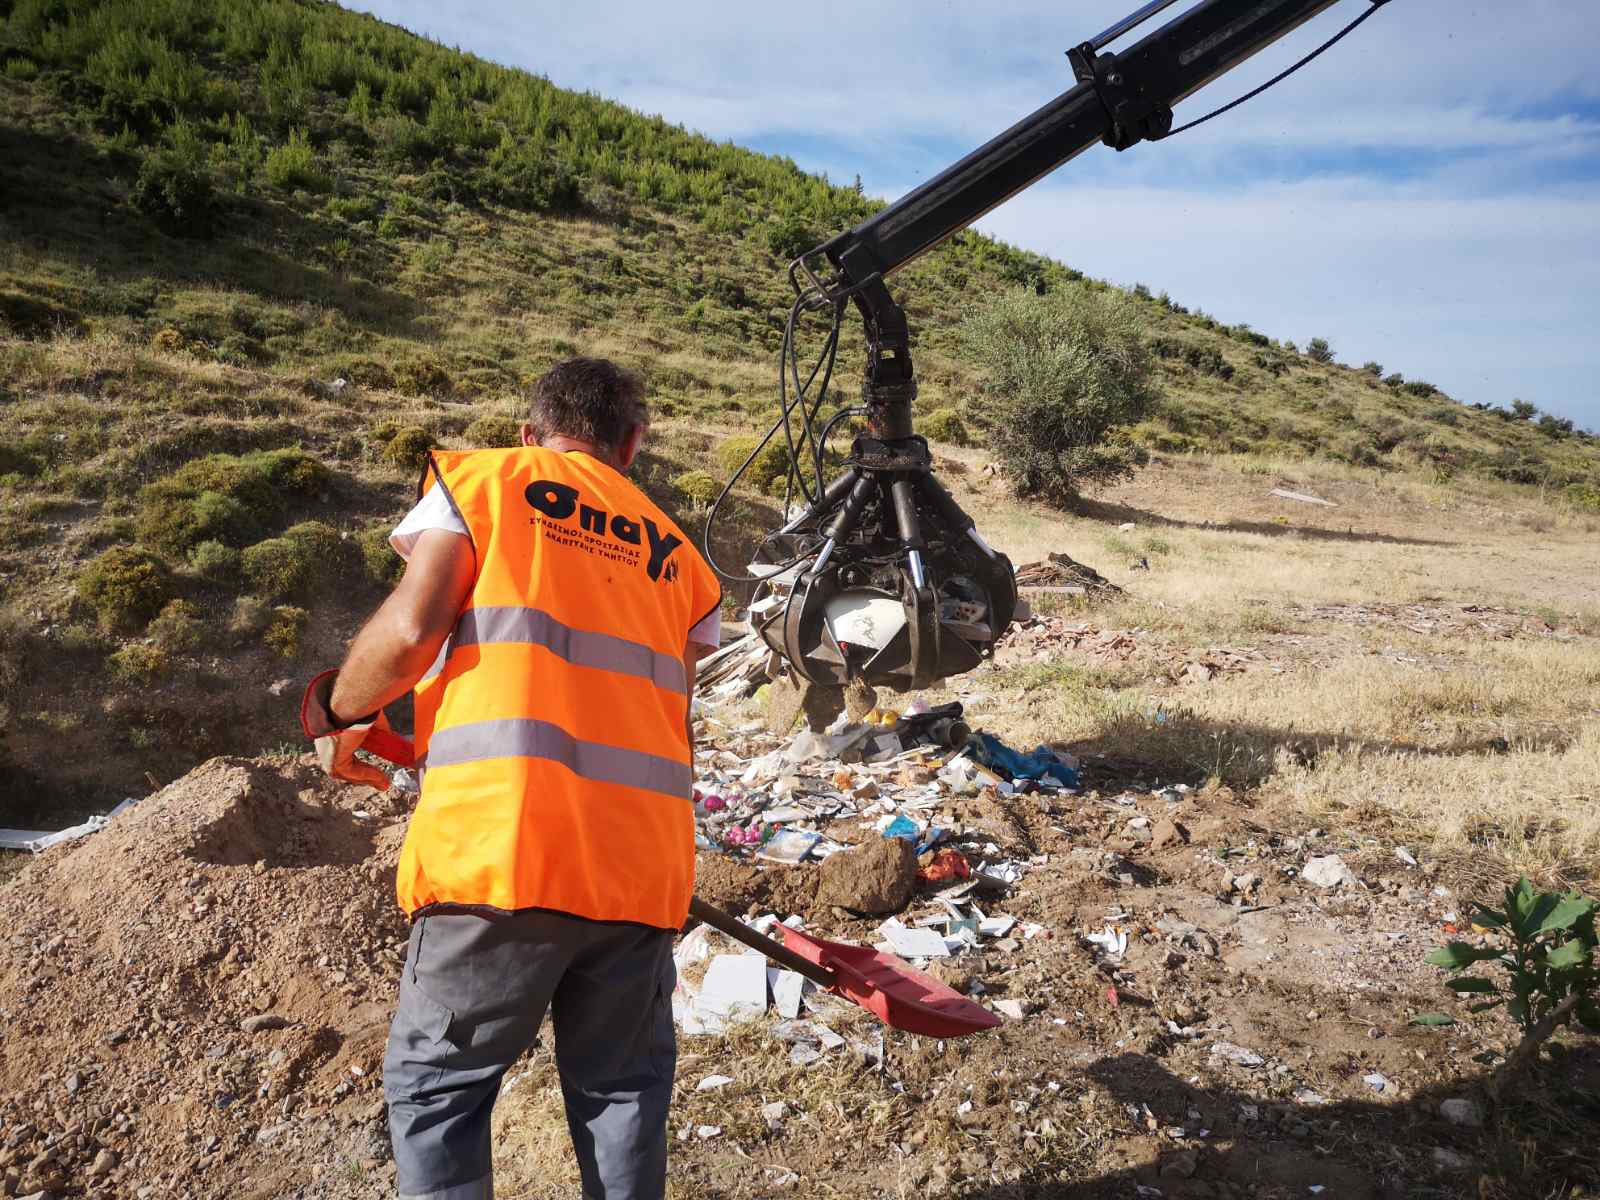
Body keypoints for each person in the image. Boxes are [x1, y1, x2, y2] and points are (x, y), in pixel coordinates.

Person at [300, 358, 721, 1200]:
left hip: (503, 852)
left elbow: (413, 629)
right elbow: (663, 719)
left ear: (530, 434)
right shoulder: (680, 558)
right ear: (632, 445)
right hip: (640, 870)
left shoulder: (487, 483)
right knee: (624, 1094)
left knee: (441, 1094)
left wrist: (334, 713)